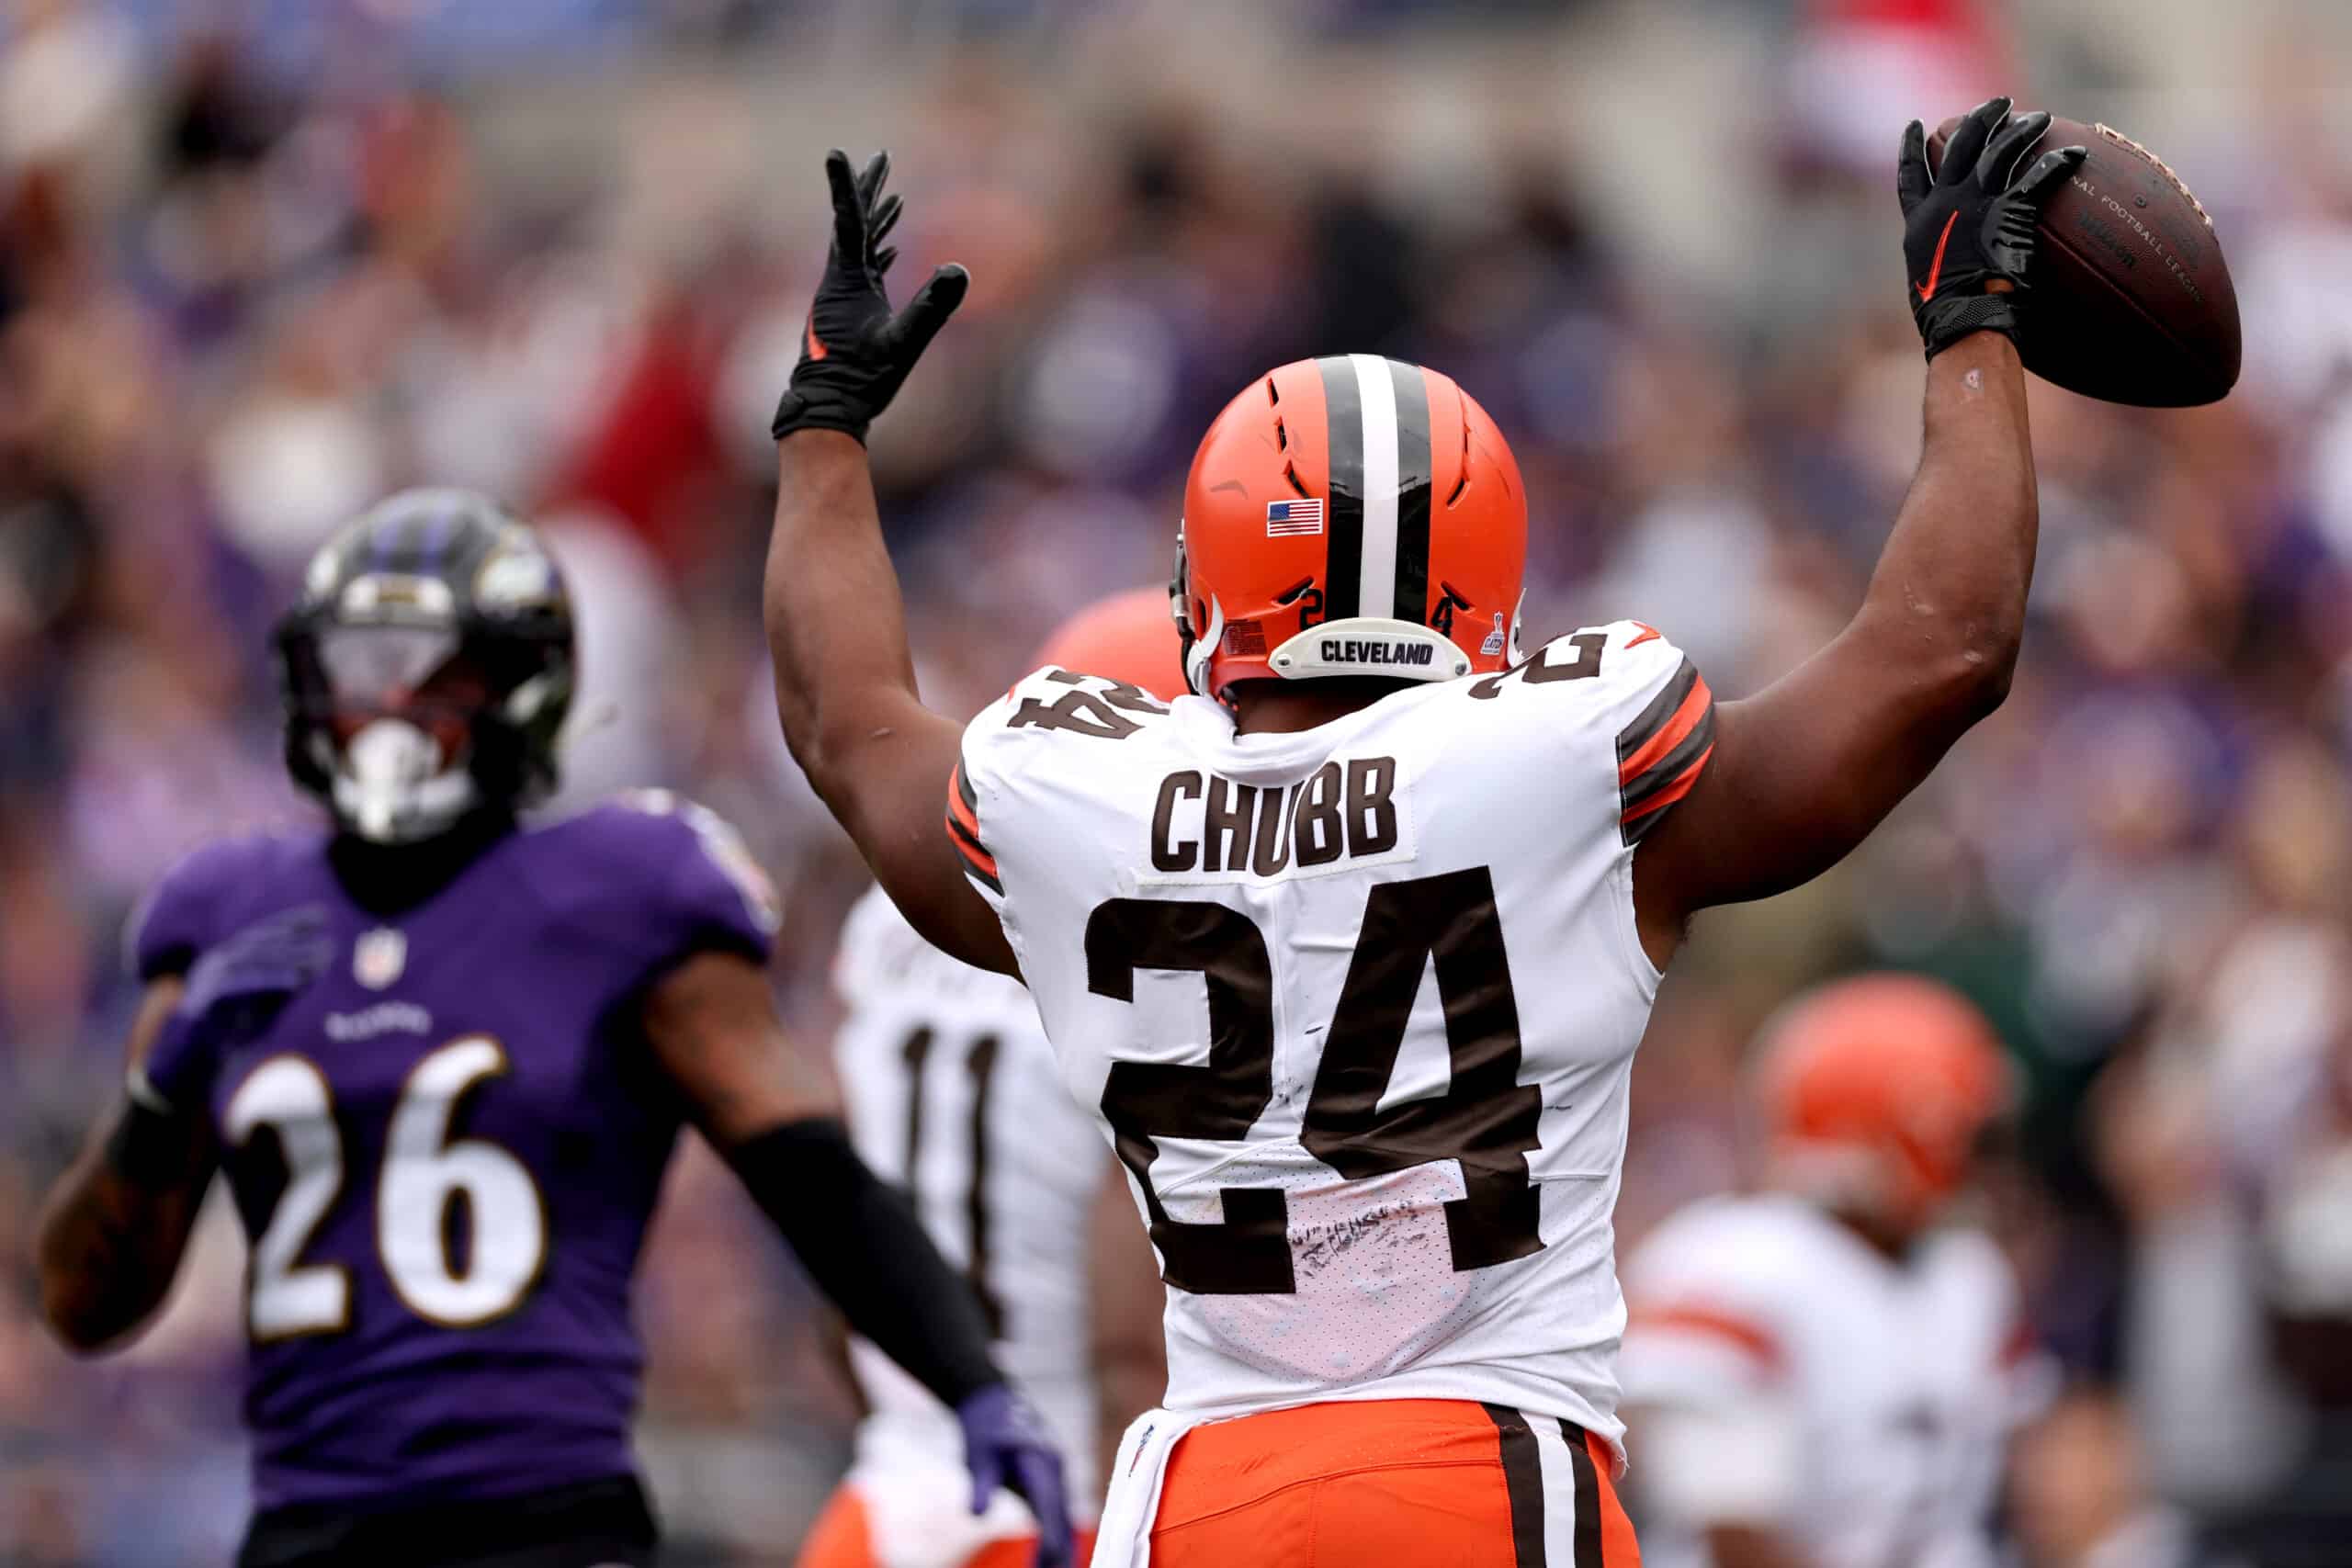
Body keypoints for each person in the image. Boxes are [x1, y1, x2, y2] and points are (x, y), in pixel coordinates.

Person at [758, 99, 2083, 1567]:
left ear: (1207, 579)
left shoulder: (1089, 796)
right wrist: (1974, 328)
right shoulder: (1557, 761)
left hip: (1198, 1486)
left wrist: (826, 425)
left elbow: (844, 721)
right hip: (1483, 1455)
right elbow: (1943, 650)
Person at [32, 490, 1072, 1568]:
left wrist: (973, 1384)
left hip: (546, 1522)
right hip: (307, 1531)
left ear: (523, 688)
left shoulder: (614, 894)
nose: (386, 709)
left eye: (434, 677)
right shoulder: (227, 915)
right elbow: (86, 1307)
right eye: (357, 672)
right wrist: (161, 1097)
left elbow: (812, 1178)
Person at [797, 589, 1175, 1568]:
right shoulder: (1151, 963)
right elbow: (1129, 1338)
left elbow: (844, 1231)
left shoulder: (889, 923)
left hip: (886, 1503)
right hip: (1073, 1501)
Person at [1617, 976, 2039, 1568]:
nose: (1983, 1167)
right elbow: (1735, 1539)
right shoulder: (1732, 1270)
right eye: (1966, 1136)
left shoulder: (1971, 1277)